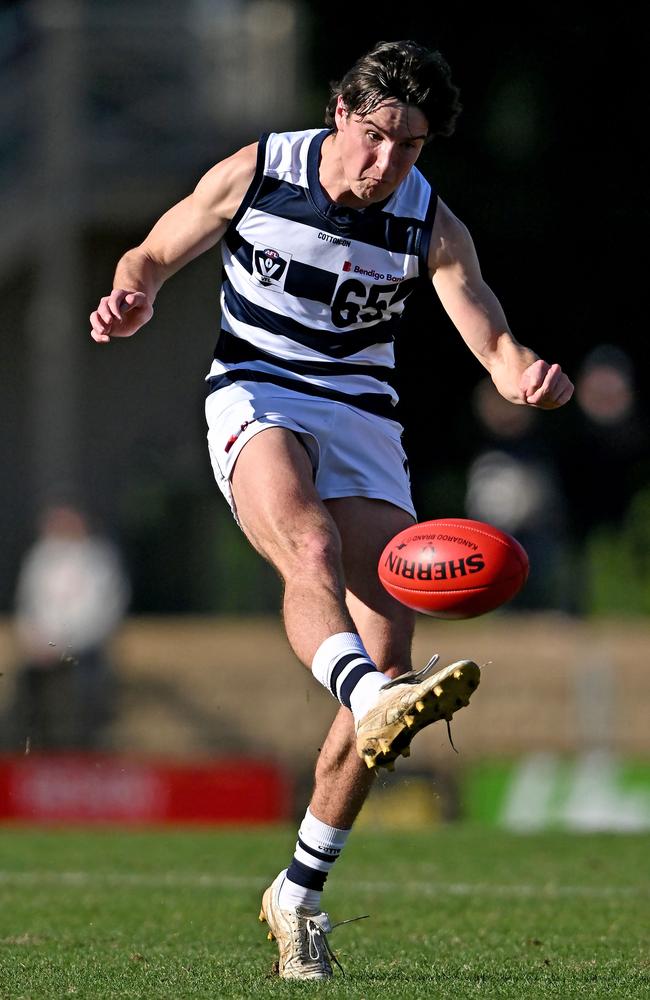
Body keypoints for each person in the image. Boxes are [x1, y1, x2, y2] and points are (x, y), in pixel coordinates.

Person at [90, 40, 574, 980]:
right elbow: (151, 251)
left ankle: (298, 891)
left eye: (412, 146)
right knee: (305, 545)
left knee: (389, 659)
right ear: (342, 111)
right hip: (256, 390)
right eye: (379, 135)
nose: (388, 163)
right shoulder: (258, 171)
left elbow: (492, 335)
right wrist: (132, 294)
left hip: (361, 419)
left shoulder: (429, 222)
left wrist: (529, 382)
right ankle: (368, 695)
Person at [12, 502, 130, 751]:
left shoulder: (98, 560)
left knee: (76, 695)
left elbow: (101, 615)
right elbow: (28, 604)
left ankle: (76, 752)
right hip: (42, 651)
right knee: (25, 692)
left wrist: (66, 643)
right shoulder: (42, 556)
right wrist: (35, 640)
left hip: (83, 652)